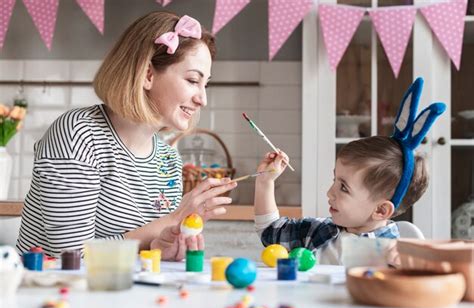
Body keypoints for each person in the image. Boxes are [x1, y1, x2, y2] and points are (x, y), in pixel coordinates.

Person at [16, 12, 237, 260]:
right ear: (147, 75)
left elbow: (142, 257)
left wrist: (164, 248)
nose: (202, 99)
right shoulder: (79, 134)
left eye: (205, 84)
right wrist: (174, 218)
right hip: (54, 294)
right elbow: (72, 257)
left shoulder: (169, 161)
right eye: (192, 80)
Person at [253, 78, 445, 265]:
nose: (330, 192)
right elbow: (271, 233)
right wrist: (265, 182)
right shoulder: (319, 231)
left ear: (380, 210)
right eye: (334, 179)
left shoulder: (397, 256)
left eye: (344, 187)